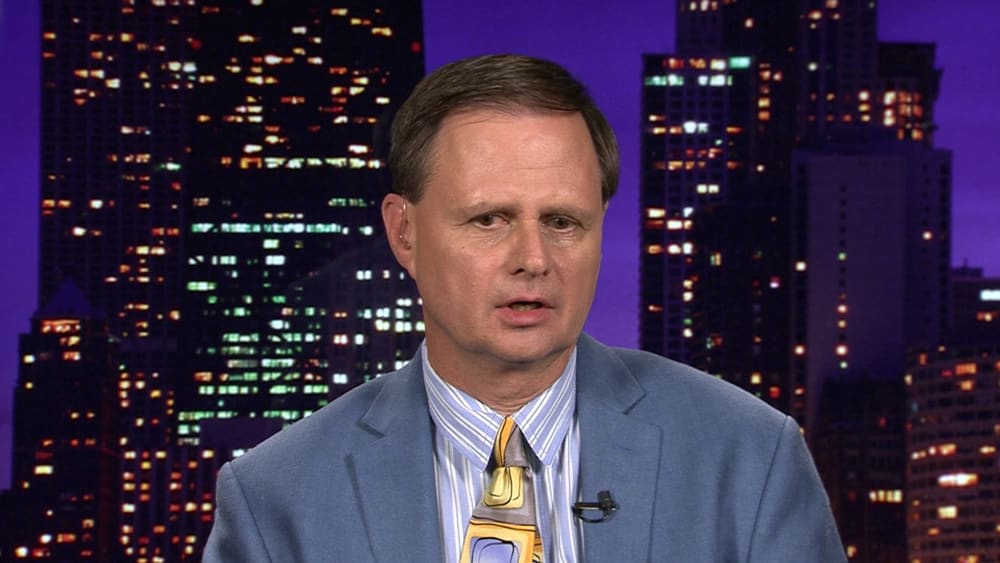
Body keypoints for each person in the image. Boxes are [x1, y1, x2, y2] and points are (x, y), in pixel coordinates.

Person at [203, 54, 845, 562]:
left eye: (563, 221)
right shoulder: (276, 498)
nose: (533, 259)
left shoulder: (750, 458)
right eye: (489, 220)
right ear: (404, 232)